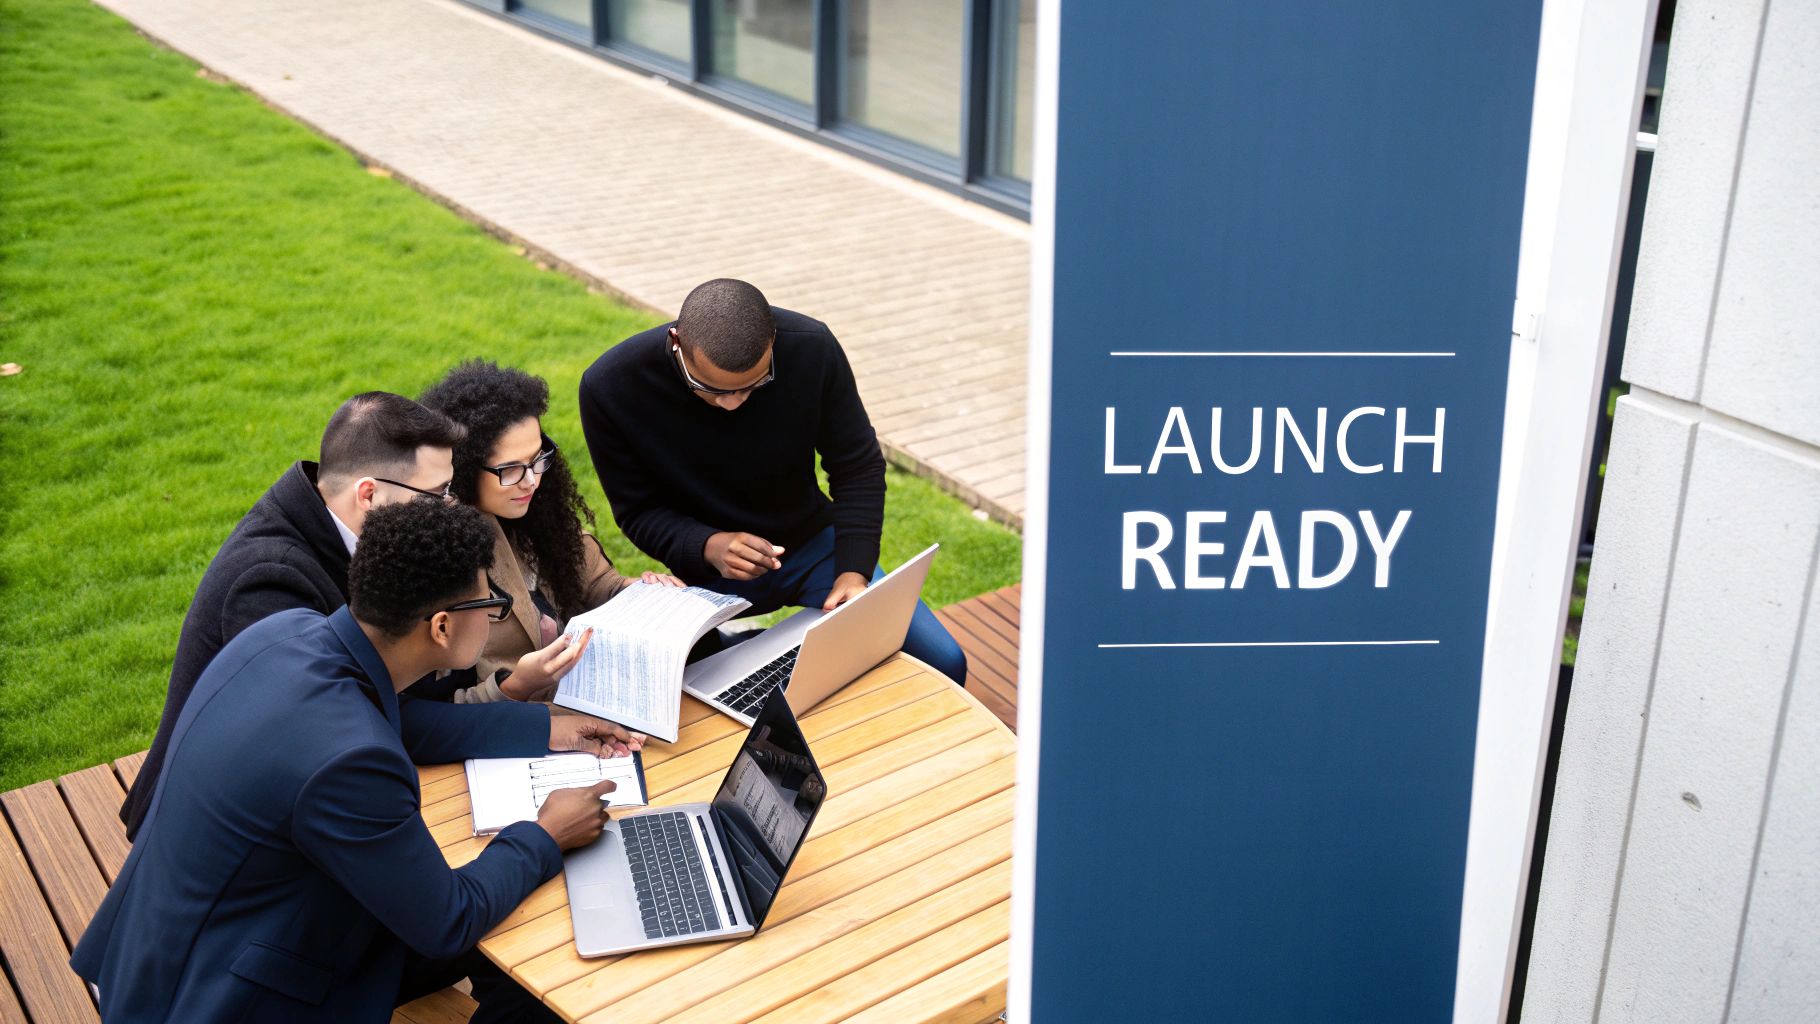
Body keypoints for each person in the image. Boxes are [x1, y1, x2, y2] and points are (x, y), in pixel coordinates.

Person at [72, 500, 638, 1023]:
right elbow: (447, 921)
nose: (494, 616)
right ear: (441, 627)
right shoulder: (351, 763)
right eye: (490, 604)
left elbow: (405, 721)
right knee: (542, 957)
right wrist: (545, 833)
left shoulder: (284, 633)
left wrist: (543, 728)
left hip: (157, 948)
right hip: (223, 998)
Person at [578, 277, 968, 684]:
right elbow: (637, 510)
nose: (732, 403)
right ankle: (743, 645)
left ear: (774, 341)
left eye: (753, 385)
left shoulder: (812, 347)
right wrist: (708, 546)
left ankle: (760, 647)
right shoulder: (611, 386)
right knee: (688, 691)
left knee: (942, 662)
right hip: (709, 573)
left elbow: (858, 467)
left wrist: (854, 572)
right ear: (676, 342)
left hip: (816, 545)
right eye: (708, 389)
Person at [120, 391, 464, 839]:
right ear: (369, 494)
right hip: (209, 837)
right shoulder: (271, 582)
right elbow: (356, 725)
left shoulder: (339, 531)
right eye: (437, 495)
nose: (449, 510)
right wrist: (536, 721)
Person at [419, 360, 683, 703]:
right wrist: (516, 686)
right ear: (464, 467)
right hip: (515, 734)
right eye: (510, 469)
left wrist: (640, 593)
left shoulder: (538, 514)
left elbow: (595, 584)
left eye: (537, 459)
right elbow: (430, 711)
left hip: (591, 704)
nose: (532, 481)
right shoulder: (439, 554)